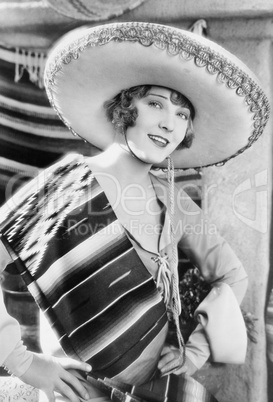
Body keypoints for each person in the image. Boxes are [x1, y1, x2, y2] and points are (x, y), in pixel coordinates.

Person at [0, 21, 270, 402]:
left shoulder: (171, 200)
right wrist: (21, 362)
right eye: (156, 103)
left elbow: (232, 275)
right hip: (79, 395)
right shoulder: (69, 182)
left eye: (182, 114)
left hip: (154, 393)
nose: (168, 123)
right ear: (125, 108)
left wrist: (193, 354)